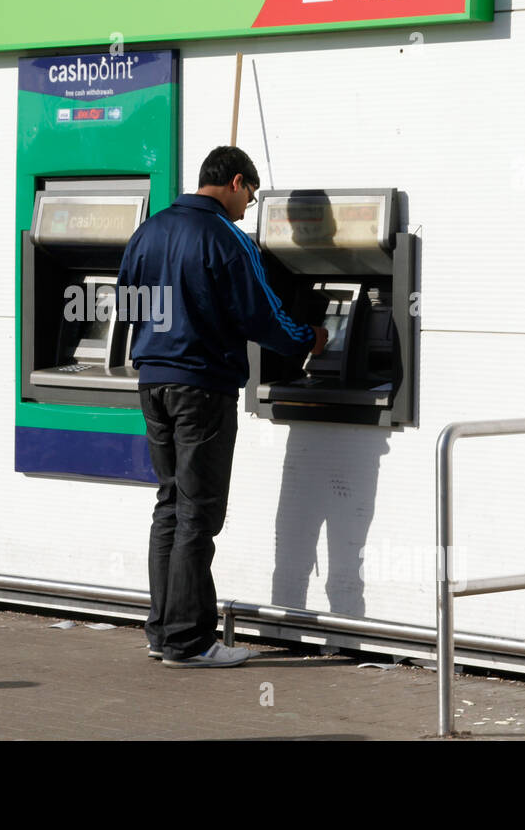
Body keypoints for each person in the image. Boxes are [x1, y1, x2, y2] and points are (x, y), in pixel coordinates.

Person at [118, 147, 328, 667]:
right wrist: (310, 339)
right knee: (198, 513)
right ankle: (190, 641)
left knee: (169, 505)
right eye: (251, 195)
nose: (249, 206)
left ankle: (162, 632)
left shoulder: (148, 230)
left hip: (153, 382)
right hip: (202, 387)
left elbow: (126, 305)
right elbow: (262, 315)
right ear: (235, 181)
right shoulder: (226, 238)